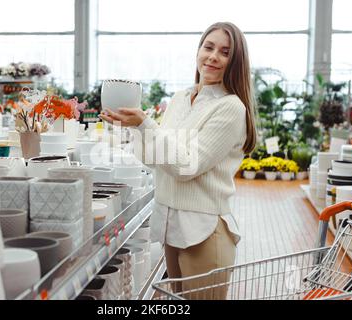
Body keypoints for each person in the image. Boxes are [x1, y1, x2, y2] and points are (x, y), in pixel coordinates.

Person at [100, 22, 257, 300]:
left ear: (235, 62)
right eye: (208, 47)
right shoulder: (181, 98)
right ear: (198, 51)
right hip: (172, 227)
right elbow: (154, 159)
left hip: (205, 233)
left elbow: (187, 166)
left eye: (224, 52)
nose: (212, 57)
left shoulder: (230, 108)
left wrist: (146, 124)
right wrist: (133, 127)